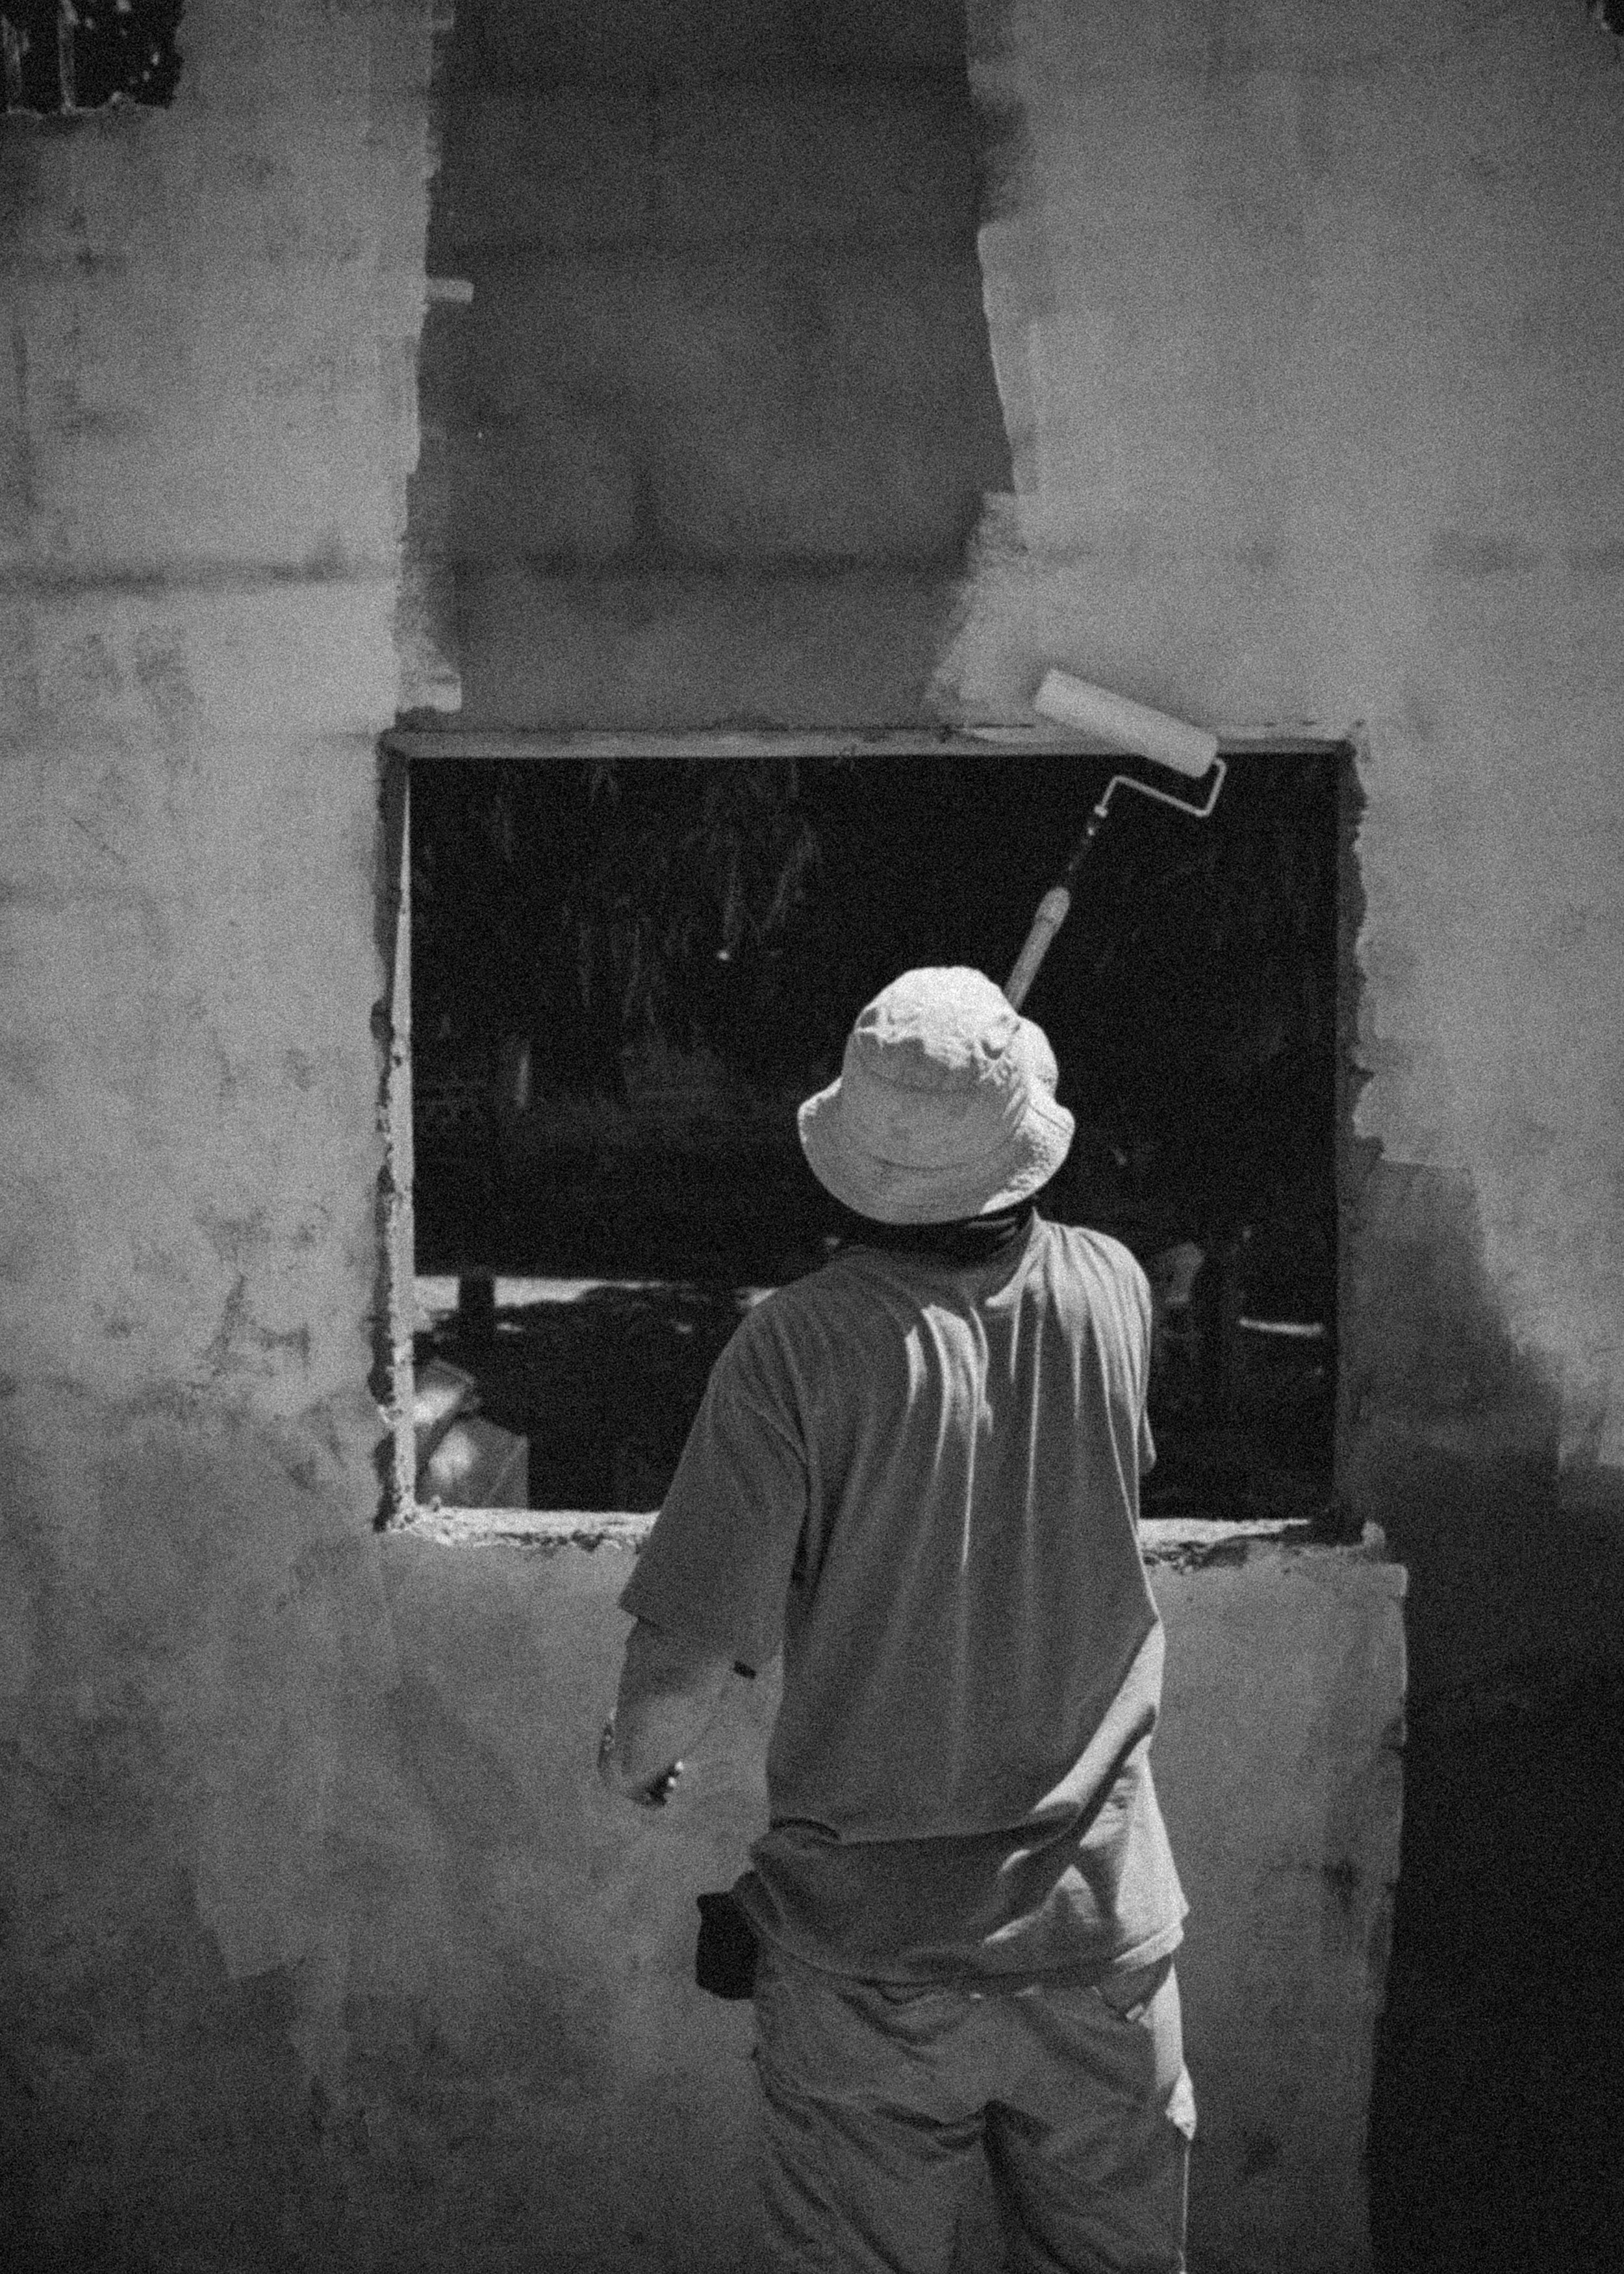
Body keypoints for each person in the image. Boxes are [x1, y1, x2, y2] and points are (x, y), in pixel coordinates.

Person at [597, 965, 1195, 2274]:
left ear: (844, 1159)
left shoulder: (793, 1350)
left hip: (867, 1958)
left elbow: (684, 1657)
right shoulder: (1111, 1289)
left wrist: (636, 1762)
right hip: (1097, 1932)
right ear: (1025, 1135)